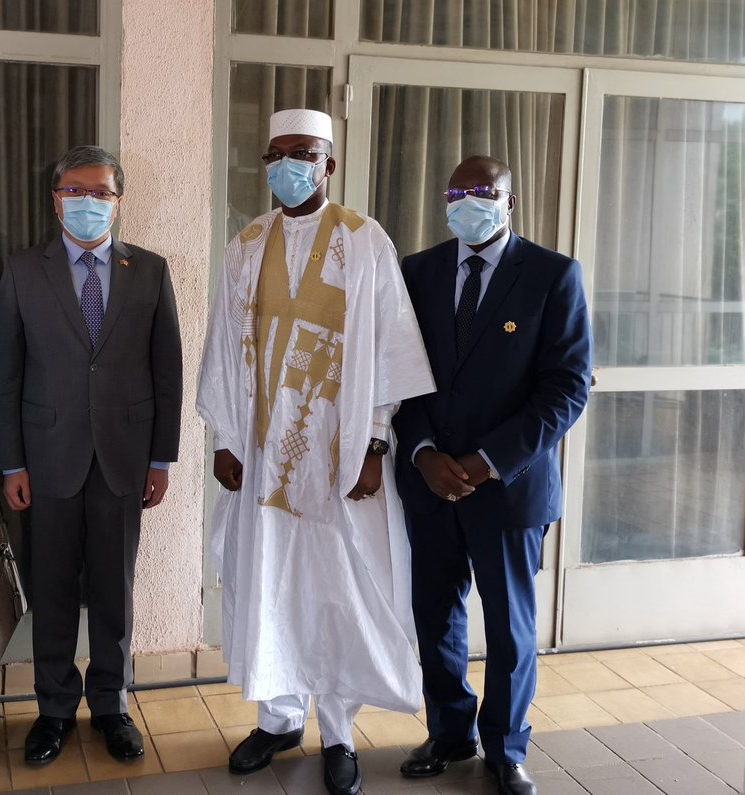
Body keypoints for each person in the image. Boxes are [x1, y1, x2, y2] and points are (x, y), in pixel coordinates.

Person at [196, 109, 435, 795]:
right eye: (275, 154)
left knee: (335, 590)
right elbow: (224, 349)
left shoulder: (364, 240)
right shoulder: (246, 244)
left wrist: (374, 444)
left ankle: (337, 732)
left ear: (328, 163)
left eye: (301, 153)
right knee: (268, 579)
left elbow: (390, 347)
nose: (286, 166)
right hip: (263, 453)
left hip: (337, 454)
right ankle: (278, 719)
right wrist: (225, 439)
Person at [393, 155, 592, 795]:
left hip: (507, 487)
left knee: (509, 628)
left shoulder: (553, 275)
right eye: (456, 193)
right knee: (436, 617)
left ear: (511, 201)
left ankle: (505, 748)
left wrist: (486, 462)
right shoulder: (417, 271)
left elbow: (566, 389)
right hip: (431, 484)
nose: (467, 203)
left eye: (482, 192)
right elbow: (400, 371)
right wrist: (423, 453)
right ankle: (450, 733)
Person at [0, 145, 182, 765]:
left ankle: (110, 705)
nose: (87, 202)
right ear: (56, 201)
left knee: (112, 590)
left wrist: (162, 460)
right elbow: (6, 377)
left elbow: (167, 372)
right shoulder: (24, 270)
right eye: (75, 190)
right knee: (50, 588)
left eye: (100, 192)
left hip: (125, 459)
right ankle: (52, 709)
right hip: (47, 458)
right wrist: (12, 463)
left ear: (117, 202)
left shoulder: (149, 270)